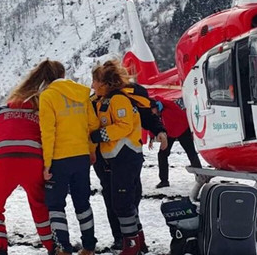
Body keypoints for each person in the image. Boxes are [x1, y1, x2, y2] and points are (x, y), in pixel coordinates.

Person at [0, 62, 56, 255]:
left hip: (3, 163)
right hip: (34, 162)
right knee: (41, 206)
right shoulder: (43, 113)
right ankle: (54, 247)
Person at [90, 67, 165, 252]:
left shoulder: (121, 99)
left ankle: (131, 243)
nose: (92, 85)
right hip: (106, 159)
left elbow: (131, 122)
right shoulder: (96, 101)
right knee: (116, 199)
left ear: (106, 82)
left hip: (124, 155)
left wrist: (98, 135)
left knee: (124, 201)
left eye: (95, 81)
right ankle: (128, 240)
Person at [39, 60, 100, 255]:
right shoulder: (82, 93)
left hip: (59, 159)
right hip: (81, 156)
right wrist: (91, 150)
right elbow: (93, 125)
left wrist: (47, 164)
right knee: (83, 202)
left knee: (56, 204)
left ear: (46, 77)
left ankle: (63, 248)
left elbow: (48, 133)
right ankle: (89, 246)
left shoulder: (47, 96)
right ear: (63, 73)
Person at [150, 96, 202, 188]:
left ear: (156, 107)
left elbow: (163, 125)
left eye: (152, 110)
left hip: (182, 129)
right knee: (162, 155)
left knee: (191, 153)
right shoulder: (157, 112)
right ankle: (164, 181)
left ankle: (201, 176)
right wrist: (151, 137)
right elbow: (153, 124)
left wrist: (162, 138)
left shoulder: (168, 109)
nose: (151, 112)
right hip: (169, 133)